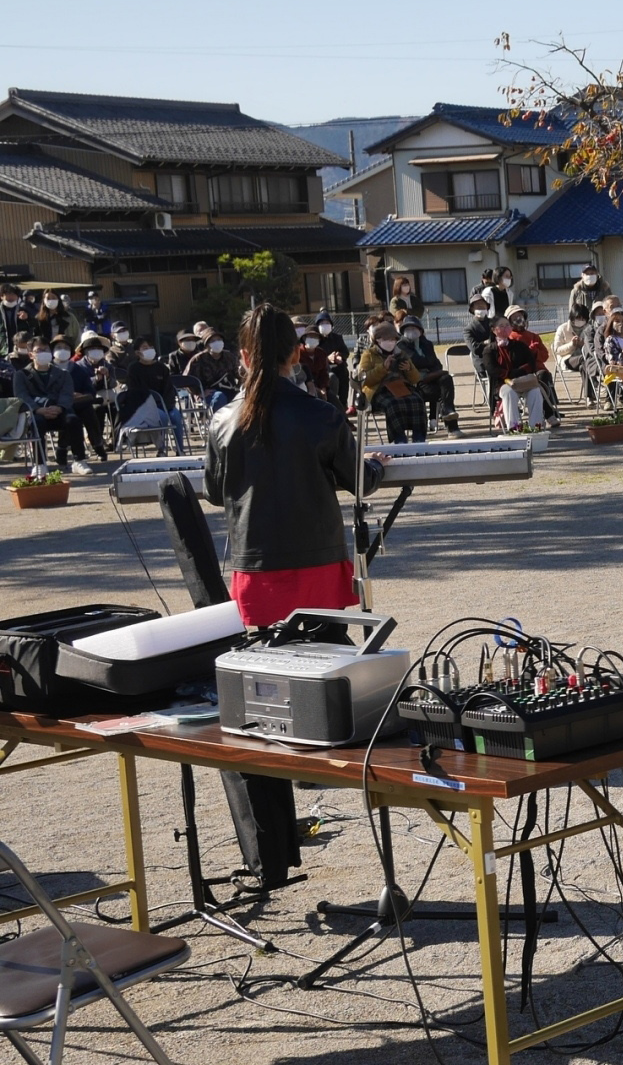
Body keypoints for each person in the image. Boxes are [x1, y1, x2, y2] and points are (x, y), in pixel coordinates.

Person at [204, 304, 388, 892]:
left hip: (256, 574)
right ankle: (335, 768)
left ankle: (272, 853)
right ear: (293, 355)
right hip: (316, 572)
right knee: (328, 682)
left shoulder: (224, 420)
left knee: (260, 707)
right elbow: (357, 479)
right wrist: (377, 466)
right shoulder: (319, 414)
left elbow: (215, 490)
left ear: (242, 355)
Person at [11, 338, 91, 474]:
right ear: (31, 354)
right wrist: (38, 409)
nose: (44, 353)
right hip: (37, 413)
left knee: (73, 420)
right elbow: (22, 396)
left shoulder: (63, 374)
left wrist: (59, 407)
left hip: (59, 411)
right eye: (39, 350)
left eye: (46, 350)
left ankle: (79, 460)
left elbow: (67, 394)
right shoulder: (21, 375)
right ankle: (40, 464)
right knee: (36, 423)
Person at [357, 322, 427, 444]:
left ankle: (419, 438)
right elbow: (365, 379)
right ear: (378, 340)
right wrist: (383, 368)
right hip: (379, 390)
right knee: (393, 404)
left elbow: (416, 379)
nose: (391, 342)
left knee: (417, 400)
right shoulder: (369, 354)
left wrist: (409, 369)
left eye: (393, 339)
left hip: (401, 387)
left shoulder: (401, 353)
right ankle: (399, 439)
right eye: (387, 339)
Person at [399, 315, 459, 434]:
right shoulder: (401, 346)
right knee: (444, 393)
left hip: (431, 379)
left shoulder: (427, 344)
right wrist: (428, 364)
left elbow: (436, 363)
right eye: (408, 328)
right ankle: (452, 427)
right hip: (414, 383)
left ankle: (448, 411)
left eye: (414, 328)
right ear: (403, 331)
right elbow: (414, 360)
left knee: (446, 379)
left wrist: (431, 368)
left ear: (421, 330)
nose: (412, 331)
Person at [490, 316, 545, 432]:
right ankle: (514, 428)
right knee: (509, 393)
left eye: (507, 325)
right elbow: (492, 370)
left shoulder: (519, 345)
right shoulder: (490, 350)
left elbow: (530, 363)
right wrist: (509, 374)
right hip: (503, 383)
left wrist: (519, 372)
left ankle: (536, 427)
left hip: (523, 381)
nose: (505, 328)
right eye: (501, 326)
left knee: (535, 392)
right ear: (494, 329)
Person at [70, 332, 111, 463]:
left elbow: (114, 383)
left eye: (99, 349)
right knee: (94, 410)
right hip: (84, 400)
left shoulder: (106, 364)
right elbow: (84, 385)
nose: (96, 352)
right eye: (92, 349)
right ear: (85, 351)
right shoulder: (78, 366)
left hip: (106, 395)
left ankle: (114, 439)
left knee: (116, 407)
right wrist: (96, 378)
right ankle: (97, 445)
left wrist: (107, 377)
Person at [186, 326, 241, 414]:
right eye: (212, 341)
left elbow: (240, 374)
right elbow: (187, 379)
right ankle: (219, 423)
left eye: (219, 339)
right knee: (220, 397)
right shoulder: (198, 359)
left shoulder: (229, 357)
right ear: (206, 345)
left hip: (230, 390)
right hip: (209, 394)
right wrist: (200, 392)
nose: (217, 343)